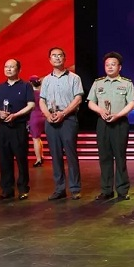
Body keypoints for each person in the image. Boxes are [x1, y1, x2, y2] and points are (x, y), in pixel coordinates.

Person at [87, 52, 134, 201]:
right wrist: (100, 111)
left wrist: (118, 115)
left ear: (119, 67)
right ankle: (106, 190)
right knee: (104, 157)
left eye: (113, 64)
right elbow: (90, 102)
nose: (110, 67)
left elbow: (132, 103)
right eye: (107, 65)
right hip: (102, 123)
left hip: (120, 123)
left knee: (120, 157)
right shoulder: (98, 83)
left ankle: (122, 190)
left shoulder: (127, 83)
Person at [39, 47, 84, 200]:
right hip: (51, 120)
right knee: (55, 155)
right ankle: (59, 188)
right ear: (49, 59)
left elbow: (78, 98)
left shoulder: (74, 78)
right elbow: (42, 100)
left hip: (68, 119)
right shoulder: (46, 80)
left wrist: (63, 113)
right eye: (54, 56)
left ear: (64, 59)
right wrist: (48, 115)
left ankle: (75, 188)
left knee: (71, 154)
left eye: (60, 55)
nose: (57, 58)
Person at [0, 59, 35, 201]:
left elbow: (31, 105)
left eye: (12, 67)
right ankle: (7, 189)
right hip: (3, 127)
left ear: (19, 69)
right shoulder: (0, 87)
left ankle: (23, 189)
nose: (8, 69)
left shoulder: (26, 86)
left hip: (18, 126)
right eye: (6, 67)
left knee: (21, 158)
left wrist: (15, 115)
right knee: (4, 159)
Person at [28, 75, 45, 167]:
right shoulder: (42, 93)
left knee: (35, 138)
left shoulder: (30, 94)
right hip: (43, 116)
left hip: (34, 117)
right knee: (39, 138)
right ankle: (41, 156)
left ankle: (38, 159)